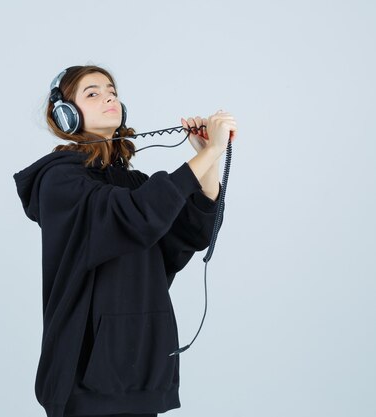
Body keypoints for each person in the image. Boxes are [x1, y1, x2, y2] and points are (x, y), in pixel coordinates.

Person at [13, 65, 238, 417]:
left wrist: (208, 157)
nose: (109, 96)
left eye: (112, 90)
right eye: (93, 92)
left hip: (139, 368)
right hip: (85, 375)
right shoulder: (58, 181)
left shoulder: (135, 184)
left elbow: (191, 233)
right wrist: (206, 156)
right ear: (65, 114)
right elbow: (132, 216)